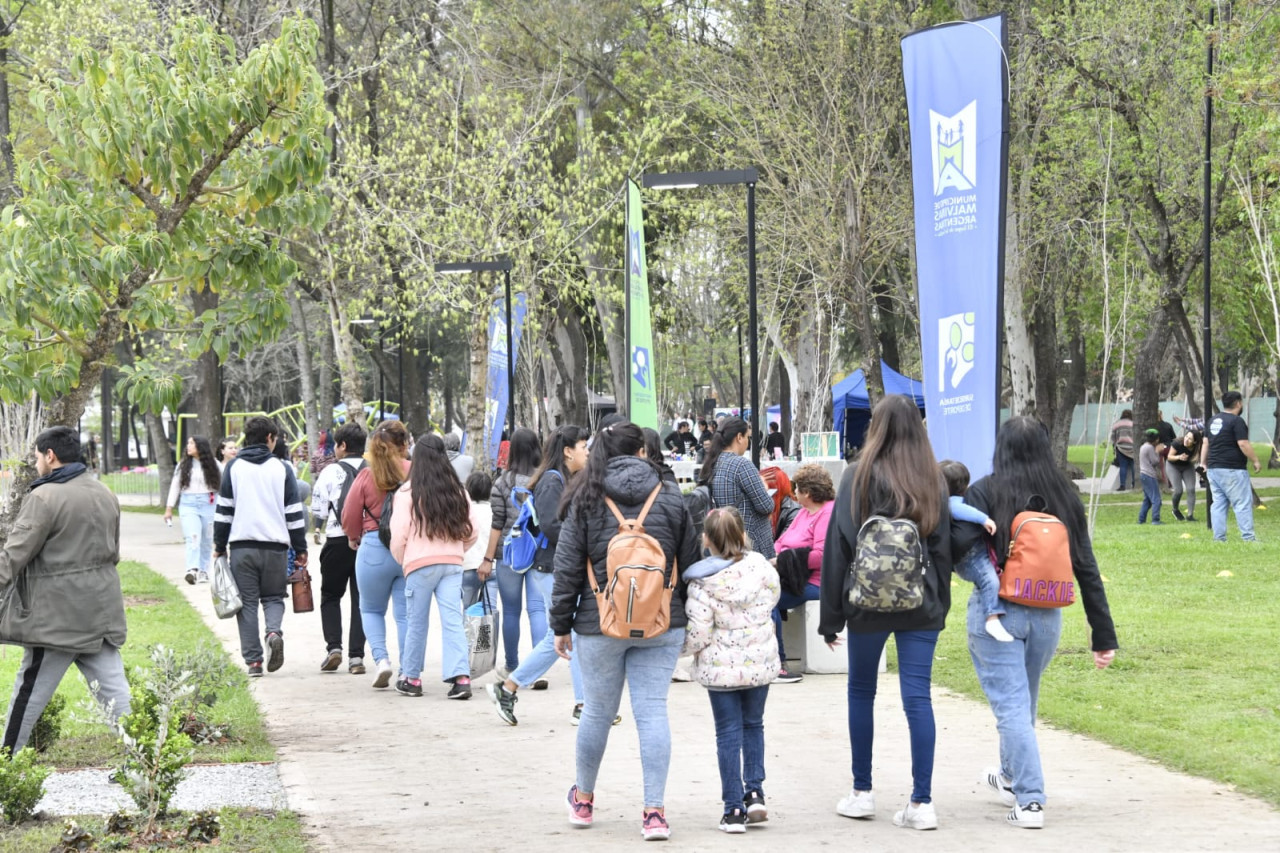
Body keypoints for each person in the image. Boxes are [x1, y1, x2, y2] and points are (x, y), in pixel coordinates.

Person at [950, 417, 1117, 829]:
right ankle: (1009, 776)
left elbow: (960, 548)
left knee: (1010, 705)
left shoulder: (986, 490)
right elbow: (1086, 567)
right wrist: (1103, 635)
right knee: (1022, 702)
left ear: (1001, 447)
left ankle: (1030, 801)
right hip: (1047, 615)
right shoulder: (1066, 495)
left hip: (998, 612)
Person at [550, 421, 700, 841]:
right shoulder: (670, 494)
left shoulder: (585, 494)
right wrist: (687, 615)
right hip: (662, 620)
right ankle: (654, 812)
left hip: (599, 623)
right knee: (652, 710)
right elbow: (688, 563)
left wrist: (561, 624)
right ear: (641, 452)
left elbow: (566, 569)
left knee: (597, 711)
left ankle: (583, 800)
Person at [818, 394, 952, 832]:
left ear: (875, 426)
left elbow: (838, 550)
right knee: (918, 698)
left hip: (865, 605)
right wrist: (940, 604)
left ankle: (862, 792)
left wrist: (831, 617)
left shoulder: (856, 476)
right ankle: (922, 802)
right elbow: (943, 550)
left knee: (861, 692)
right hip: (921, 604)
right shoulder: (933, 478)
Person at [0, 427, 131, 752]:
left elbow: (13, 555)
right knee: (117, 697)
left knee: (26, 698)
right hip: (101, 615)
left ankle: (4, 769)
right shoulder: (104, 492)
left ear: (50, 455)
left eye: (36, 456)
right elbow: (113, 552)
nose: (36, 462)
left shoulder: (44, 497)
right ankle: (145, 764)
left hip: (55, 620)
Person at [486, 425, 592, 724]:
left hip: (553, 567)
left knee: (557, 636)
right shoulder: (552, 480)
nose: (587, 452)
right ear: (568, 450)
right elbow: (549, 524)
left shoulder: (559, 478)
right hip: (551, 567)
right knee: (571, 633)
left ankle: (508, 688)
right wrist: (582, 543)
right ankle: (584, 705)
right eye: (583, 446)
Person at [682, 507, 780, 833]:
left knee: (727, 734)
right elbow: (772, 602)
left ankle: (733, 809)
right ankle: (755, 792)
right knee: (754, 725)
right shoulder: (763, 569)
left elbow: (698, 632)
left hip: (720, 669)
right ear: (742, 535)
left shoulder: (702, 583)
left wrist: (684, 651)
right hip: (758, 664)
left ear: (706, 539)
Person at [213, 416, 309, 677]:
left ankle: (254, 662)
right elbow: (293, 513)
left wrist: (219, 545)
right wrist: (301, 548)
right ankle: (274, 632)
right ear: (269, 438)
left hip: (242, 547)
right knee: (274, 597)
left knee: (246, 604)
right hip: (276, 547)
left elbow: (223, 512)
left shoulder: (233, 468)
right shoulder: (281, 468)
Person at [388, 434, 477, 699]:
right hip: (452, 564)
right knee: (452, 620)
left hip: (419, 564)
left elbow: (399, 536)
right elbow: (472, 531)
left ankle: (412, 678)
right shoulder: (458, 491)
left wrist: (405, 559)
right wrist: (457, 551)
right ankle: (461, 678)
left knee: (416, 622)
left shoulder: (406, 493)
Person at [341, 420, 412, 688]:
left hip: (372, 546)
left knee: (370, 609)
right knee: (406, 614)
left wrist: (353, 536)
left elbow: (349, 515)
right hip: (406, 549)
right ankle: (408, 668)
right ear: (403, 444)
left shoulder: (365, 476)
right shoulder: (413, 471)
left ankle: (381, 660)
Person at [481, 427, 544, 677]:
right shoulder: (544, 480)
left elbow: (497, 524)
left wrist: (487, 559)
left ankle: (513, 665)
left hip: (509, 554)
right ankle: (538, 668)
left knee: (511, 611)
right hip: (539, 552)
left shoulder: (501, 483)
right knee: (538, 609)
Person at [309, 422, 368, 675]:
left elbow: (319, 510)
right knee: (362, 599)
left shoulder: (330, 472)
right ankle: (357, 657)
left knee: (331, 596)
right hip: (369, 544)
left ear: (343, 446)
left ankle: (334, 648)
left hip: (337, 539)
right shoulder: (374, 470)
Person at [769, 464, 835, 682]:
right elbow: (782, 540)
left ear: (807, 492)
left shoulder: (826, 514)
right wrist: (775, 557)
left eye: (797, 488)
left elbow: (821, 556)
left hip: (816, 582)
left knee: (768, 601)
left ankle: (779, 664)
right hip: (792, 576)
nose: (794, 492)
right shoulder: (804, 512)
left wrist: (782, 561)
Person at [939, 460, 1011, 642]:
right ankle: (992, 617)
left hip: (974, 555)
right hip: (970, 558)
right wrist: (984, 519)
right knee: (990, 581)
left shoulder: (947, 501)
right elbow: (960, 510)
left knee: (992, 580)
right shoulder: (951, 503)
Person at [701, 416, 776, 566]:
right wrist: (765, 488)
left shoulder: (714, 462)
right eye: (747, 437)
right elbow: (766, 506)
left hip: (724, 540)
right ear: (739, 437)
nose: (748, 442)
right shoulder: (741, 465)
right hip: (750, 541)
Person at [1201, 390, 1261, 542]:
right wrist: (1255, 460)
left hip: (1214, 469)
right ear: (1238, 403)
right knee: (1241, 503)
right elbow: (1243, 444)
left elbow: (1205, 443)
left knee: (1219, 504)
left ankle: (1219, 538)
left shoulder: (1212, 420)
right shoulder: (1236, 421)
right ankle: (1248, 538)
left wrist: (1203, 463)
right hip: (1233, 468)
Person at [164, 436, 221, 586]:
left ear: (200, 447)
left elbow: (223, 484)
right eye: (188, 443)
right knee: (193, 536)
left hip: (209, 504)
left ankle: (203, 570)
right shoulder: (183, 465)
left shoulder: (214, 464)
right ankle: (192, 569)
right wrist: (169, 508)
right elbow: (175, 486)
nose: (188, 446)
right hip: (188, 504)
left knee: (207, 538)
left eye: (192, 444)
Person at [460, 471, 496, 607]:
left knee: (468, 611)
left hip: (468, 566)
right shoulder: (494, 512)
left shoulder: (464, 512)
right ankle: (491, 629)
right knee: (490, 611)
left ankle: (468, 629)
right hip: (490, 567)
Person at [1165, 430, 1202, 522]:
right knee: (1178, 491)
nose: (1186, 440)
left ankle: (1190, 515)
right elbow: (1169, 456)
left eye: (1190, 439)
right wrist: (1179, 457)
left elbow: (1199, 458)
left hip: (1187, 466)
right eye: (1186, 437)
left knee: (1191, 489)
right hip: (1173, 465)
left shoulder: (1197, 448)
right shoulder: (1177, 443)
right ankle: (1175, 509)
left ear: (1195, 442)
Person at [1137, 429, 1164, 525]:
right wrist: (1157, 451)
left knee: (1147, 500)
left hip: (1143, 474)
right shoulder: (1150, 448)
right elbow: (1155, 461)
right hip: (1149, 475)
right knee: (1156, 499)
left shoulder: (1143, 446)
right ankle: (1155, 520)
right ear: (1155, 439)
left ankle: (1141, 519)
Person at [1109, 409, 1135, 491]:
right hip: (1132, 448)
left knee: (1123, 466)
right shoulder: (1133, 424)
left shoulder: (1117, 424)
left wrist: (1115, 443)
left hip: (1121, 448)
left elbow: (1112, 437)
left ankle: (1122, 485)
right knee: (1133, 466)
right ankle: (1134, 484)